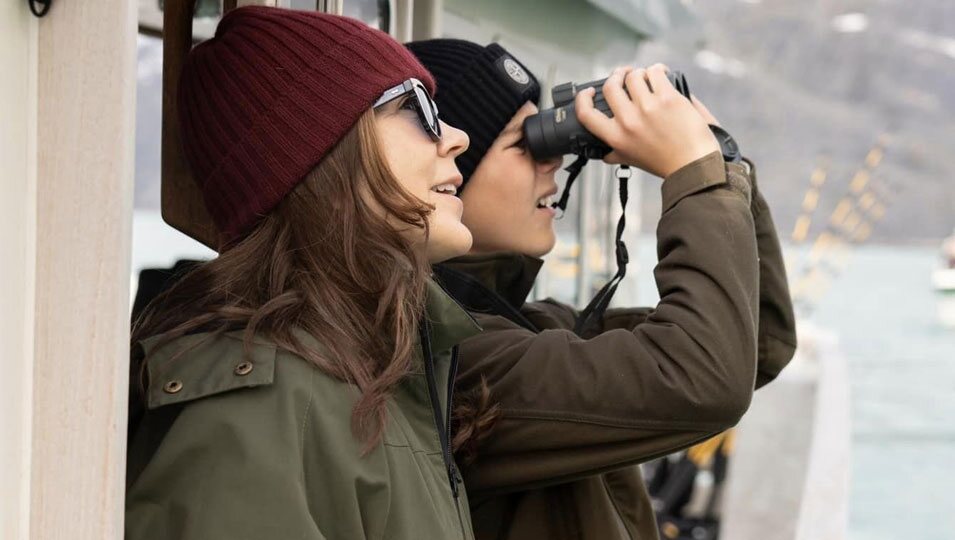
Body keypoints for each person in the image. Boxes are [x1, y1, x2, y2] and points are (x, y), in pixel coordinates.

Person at [406, 39, 797, 539]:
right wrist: (693, 175)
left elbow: (755, 344)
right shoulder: (456, 361)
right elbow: (702, 378)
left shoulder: (534, 327)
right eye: (522, 143)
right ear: (448, 174)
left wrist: (721, 158)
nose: (550, 162)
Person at [125, 8, 480, 539]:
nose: (456, 137)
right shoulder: (256, 414)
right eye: (415, 107)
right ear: (320, 155)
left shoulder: (375, 370)